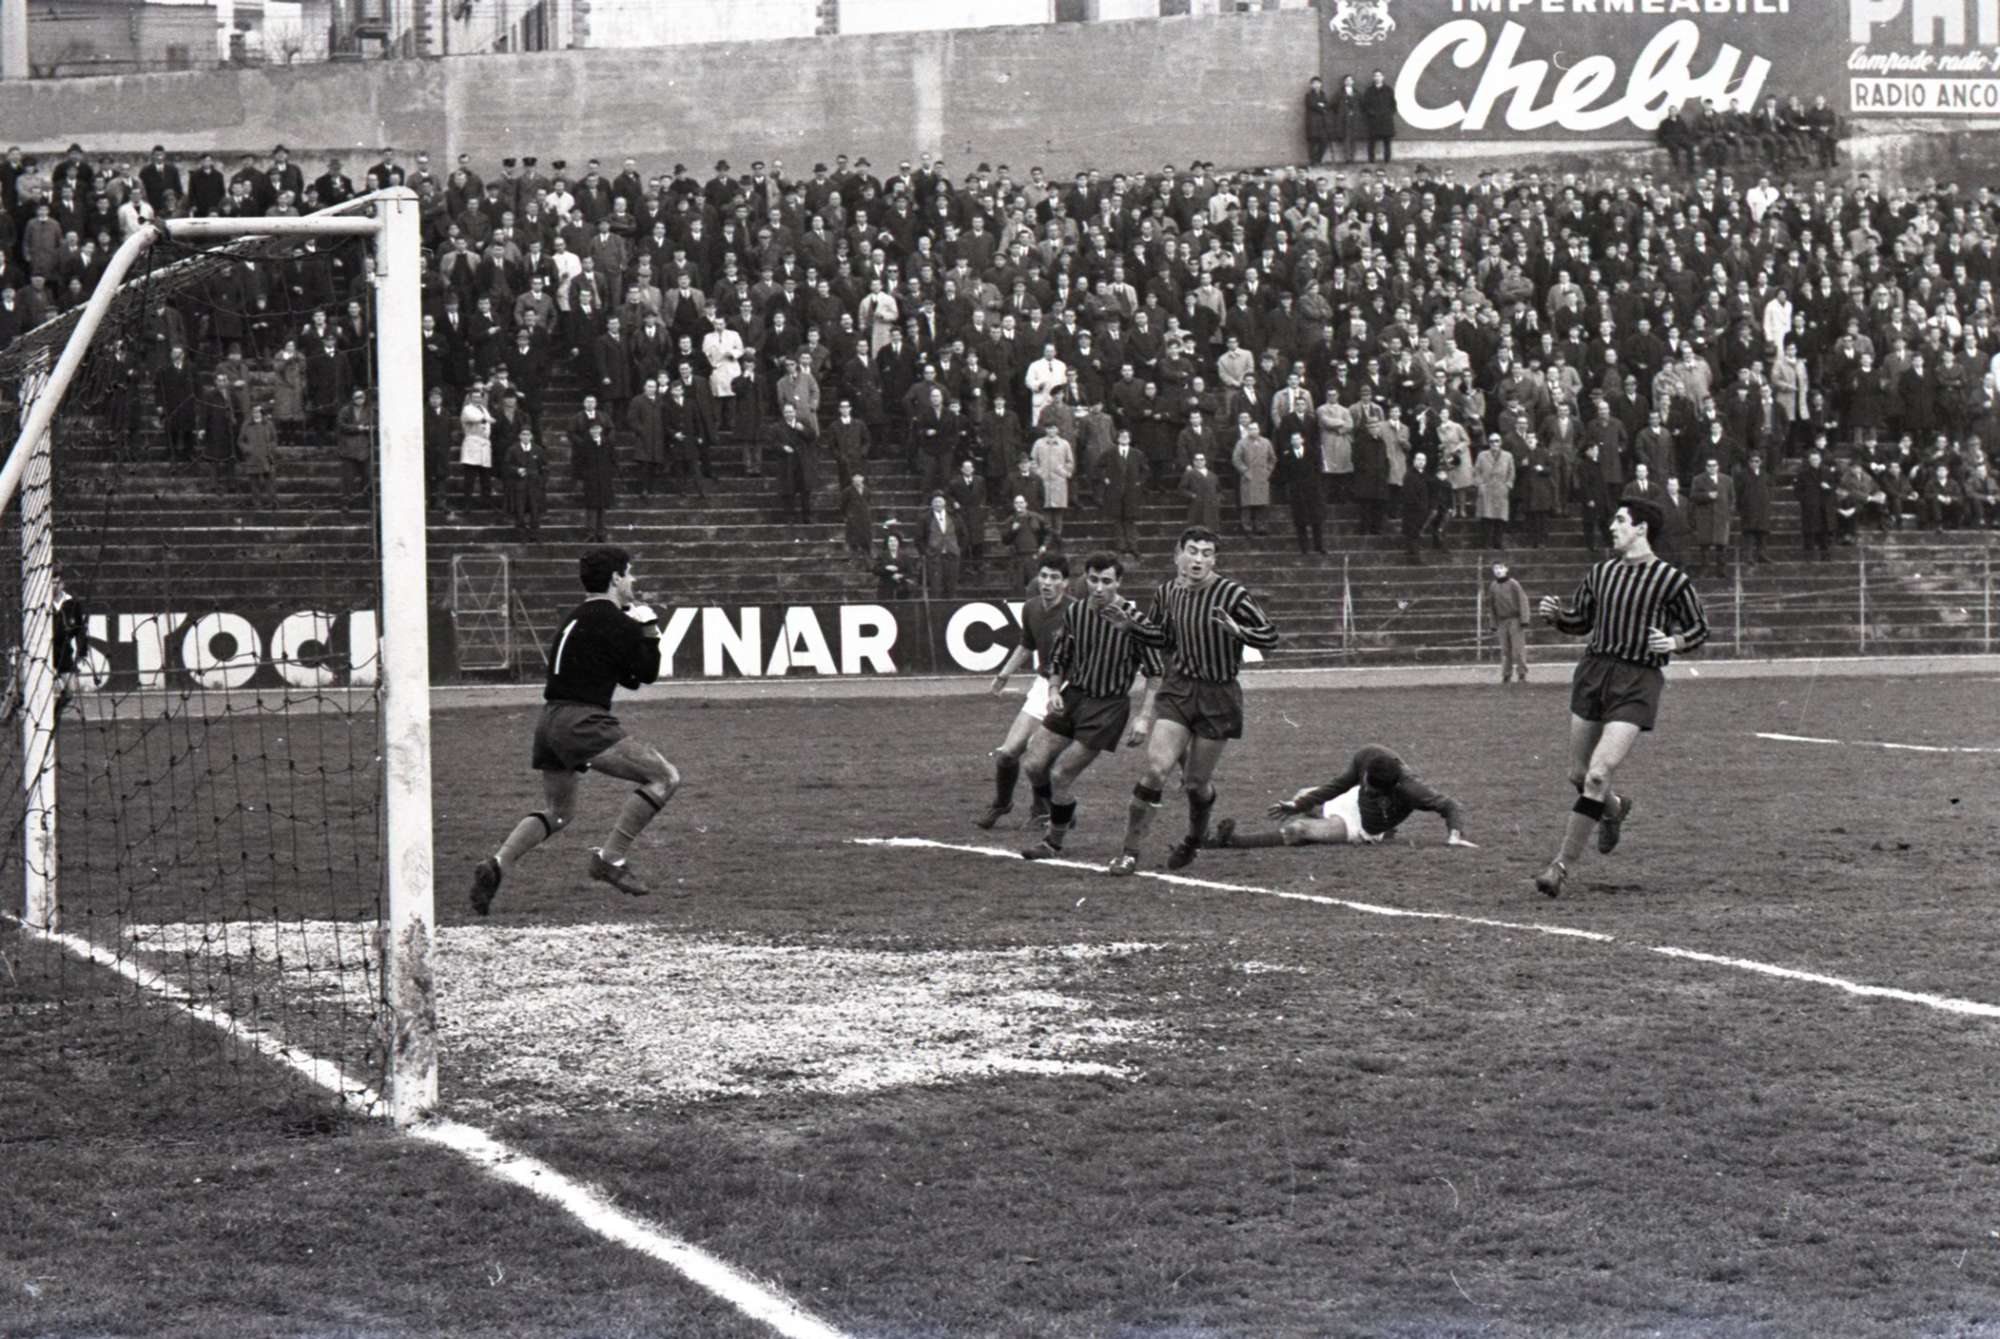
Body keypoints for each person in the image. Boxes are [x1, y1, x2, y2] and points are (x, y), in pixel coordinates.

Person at [468, 546, 678, 913]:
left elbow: (626, 678)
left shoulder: (576, 617)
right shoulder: (616, 622)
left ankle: (497, 864)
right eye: (629, 573)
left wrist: (634, 631)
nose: (632, 580)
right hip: (581, 721)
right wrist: (649, 629)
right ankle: (610, 859)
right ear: (616, 578)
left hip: (549, 720)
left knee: (559, 812)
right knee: (664, 777)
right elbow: (646, 674)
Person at [1532, 498, 1709, 898]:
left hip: (1638, 680)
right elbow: (1581, 621)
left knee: (1597, 773)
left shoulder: (1671, 580)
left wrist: (1674, 642)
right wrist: (1557, 615)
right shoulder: (1601, 572)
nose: (1612, 527)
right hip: (1594, 673)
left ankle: (1559, 867)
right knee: (1579, 775)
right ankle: (1613, 809)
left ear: (1641, 528)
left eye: (1620, 520)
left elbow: (1700, 627)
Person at [1099, 526, 1280, 875]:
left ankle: (1194, 839)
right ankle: (1129, 852)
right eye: (1193, 551)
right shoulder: (1167, 592)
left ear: (1214, 560)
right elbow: (1163, 639)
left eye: (1206, 554)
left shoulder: (1232, 594)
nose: (1198, 559)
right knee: (1156, 769)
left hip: (1218, 695)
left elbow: (1270, 636)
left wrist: (1240, 632)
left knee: (1196, 783)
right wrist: (1130, 626)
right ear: (1179, 554)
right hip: (1179, 688)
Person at [1019, 553, 1166, 861]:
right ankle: (1063, 810)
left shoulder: (1134, 620)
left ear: (1118, 582)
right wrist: (1054, 690)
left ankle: (1053, 842)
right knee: (1033, 763)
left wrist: (1143, 718)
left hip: (1107, 708)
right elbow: (1060, 657)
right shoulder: (1076, 612)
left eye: (1106, 581)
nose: (1099, 588)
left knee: (1061, 774)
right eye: (1093, 580)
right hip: (1074, 697)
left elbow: (1155, 673)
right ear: (1085, 579)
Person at [1205, 744, 1474, 851]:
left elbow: (1450, 805)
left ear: (1390, 789)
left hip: (1363, 826)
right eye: (1366, 783)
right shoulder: (1369, 756)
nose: (1367, 788)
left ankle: (1234, 841)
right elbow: (1339, 785)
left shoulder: (1411, 789)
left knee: (1299, 828)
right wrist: (1297, 804)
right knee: (1304, 794)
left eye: (1373, 791)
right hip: (1352, 801)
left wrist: (1455, 835)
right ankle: (1314, 822)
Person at [977, 554, 1074, 830]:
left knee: (1037, 754)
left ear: (1065, 583)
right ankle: (1002, 803)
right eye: (1043, 576)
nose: (1047, 582)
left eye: (1054, 577)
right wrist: (1004, 674)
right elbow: (1026, 645)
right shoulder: (1031, 608)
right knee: (1007, 753)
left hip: (1069, 690)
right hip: (1043, 685)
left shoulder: (1075, 612)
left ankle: (1043, 811)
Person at [1488, 559, 1529, 683]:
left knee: (1518, 649)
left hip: (1515, 620)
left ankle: (1522, 674)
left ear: (1506, 569)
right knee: (1505, 650)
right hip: (1502, 621)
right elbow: (1492, 606)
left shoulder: (1513, 584)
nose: (1498, 571)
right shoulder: (1493, 586)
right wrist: (1493, 623)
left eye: (1501, 568)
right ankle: (1506, 674)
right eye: (1496, 568)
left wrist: (1524, 619)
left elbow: (1523, 600)